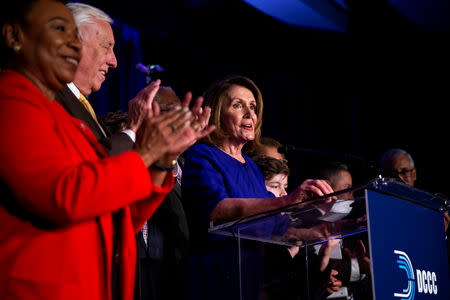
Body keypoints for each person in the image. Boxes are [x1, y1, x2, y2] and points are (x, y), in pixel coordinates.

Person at [0, 1, 213, 299]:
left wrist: (161, 162)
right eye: (63, 32)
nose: (74, 46)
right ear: (14, 36)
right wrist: (145, 151)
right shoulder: (10, 100)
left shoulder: (69, 120)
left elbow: (117, 213)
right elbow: (66, 197)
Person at [181, 75, 335, 299]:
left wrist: (326, 227)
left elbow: (276, 225)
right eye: (237, 105)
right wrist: (287, 200)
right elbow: (216, 209)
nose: (249, 113)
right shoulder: (202, 155)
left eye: (252, 107)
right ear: (217, 113)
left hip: (250, 277)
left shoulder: (251, 167)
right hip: (216, 274)